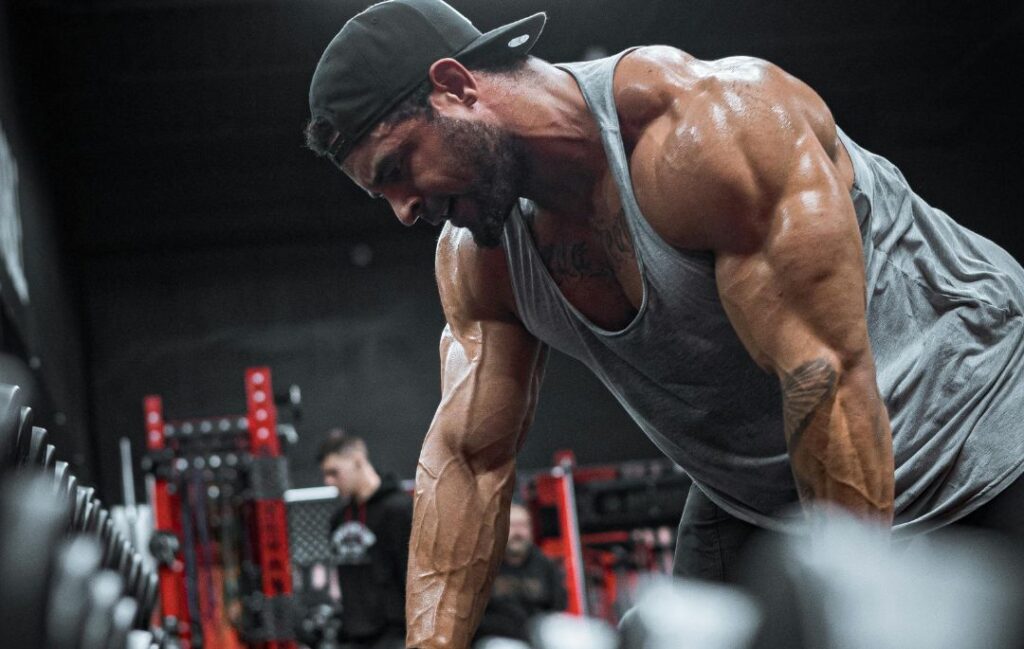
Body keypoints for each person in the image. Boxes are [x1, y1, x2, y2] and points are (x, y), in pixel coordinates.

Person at [304, 1, 1024, 646]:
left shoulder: (711, 128)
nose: (403, 209)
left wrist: (847, 613)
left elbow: (824, 380)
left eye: (397, 167)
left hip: (976, 423)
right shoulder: (476, 255)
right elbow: (469, 461)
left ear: (456, 85)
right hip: (759, 488)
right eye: (380, 192)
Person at [318, 429, 413, 649]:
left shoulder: (399, 510)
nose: (329, 481)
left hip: (396, 635)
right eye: (325, 474)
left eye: (334, 472)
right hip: (355, 637)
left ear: (357, 461)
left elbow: (413, 575)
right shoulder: (339, 519)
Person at [473, 503, 567, 644]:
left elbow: (557, 608)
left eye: (523, 525)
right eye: (512, 525)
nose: (518, 533)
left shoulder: (545, 565)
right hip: (494, 639)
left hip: (537, 637)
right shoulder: (481, 567)